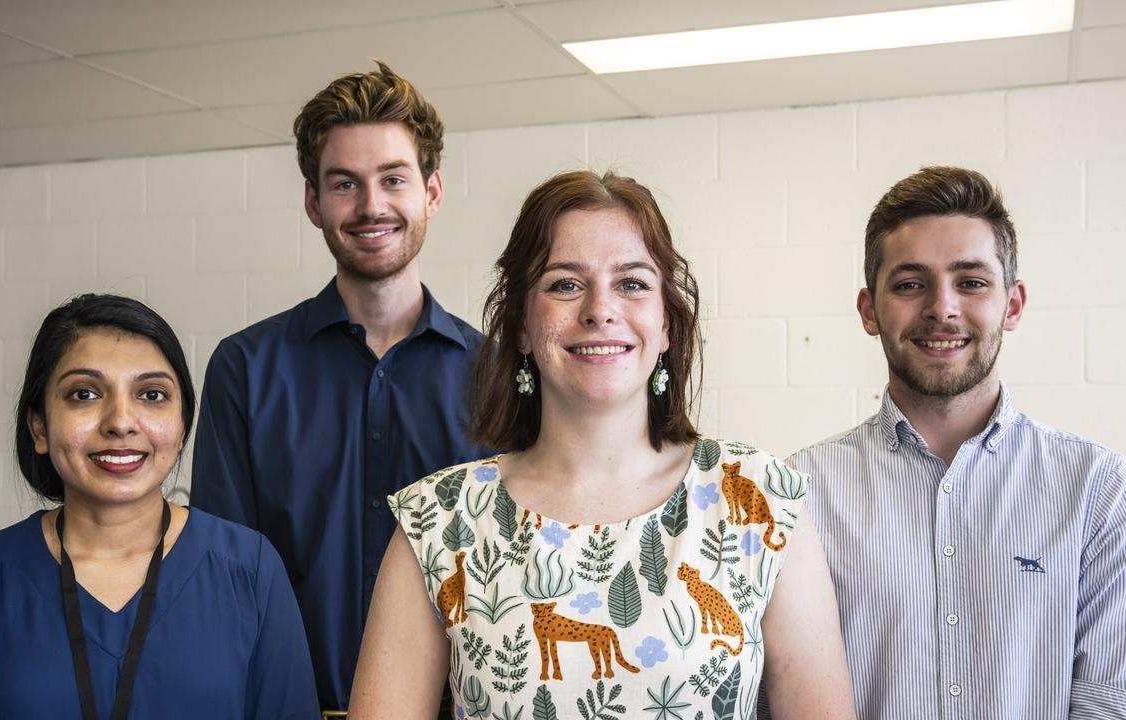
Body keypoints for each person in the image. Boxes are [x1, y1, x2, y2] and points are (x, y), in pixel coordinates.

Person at [350, 171, 855, 719]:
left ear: (666, 326)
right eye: (565, 284)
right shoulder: (438, 522)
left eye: (632, 283)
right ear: (520, 324)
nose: (599, 309)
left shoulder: (759, 502)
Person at [789, 166, 1126, 717]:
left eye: (972, 282)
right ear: (870, 310)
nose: (943, 308)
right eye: (911, 284)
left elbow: (1122, 703)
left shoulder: (1101, 494)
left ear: (1011, 304)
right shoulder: (796, 495)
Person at [190, 61, 489, 714]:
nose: (371, 206)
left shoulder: (496, 375)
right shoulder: (245, 369)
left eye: (393, 179)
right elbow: (223, 581)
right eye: (344, 184)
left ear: (432, 192)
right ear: (313, 201)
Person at [0, 294, 319, 719]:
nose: (121, 421)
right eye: (84, 393)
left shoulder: (250, 571)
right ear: (39, 426)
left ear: (182, 424)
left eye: (152, 395)